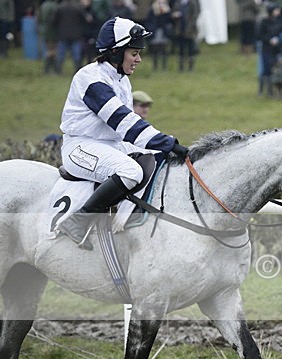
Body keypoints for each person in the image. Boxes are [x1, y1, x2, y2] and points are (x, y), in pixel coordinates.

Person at [56, 17, 189, 251]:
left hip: (110, 145)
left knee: (158, 157)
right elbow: (125, 123)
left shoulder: (122, 81)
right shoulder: (91, 79)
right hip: (79, 148)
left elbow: (127, 131)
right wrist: (168, 142)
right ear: (116, 52)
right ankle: (79, 219)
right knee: (131, 171)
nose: (139, 59)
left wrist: (163, 147)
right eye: (134, 53)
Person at [258, 3, 282, 98]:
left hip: (277, 49)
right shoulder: (264, 22)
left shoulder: (279, 21)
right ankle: (266, 90)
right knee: (266, 69)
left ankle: (278, 91)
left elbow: (281, 32)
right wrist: (269, 39)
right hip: (267, 48)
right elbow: (259, 35)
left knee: (278, 69)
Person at [53, 0, 89, 74]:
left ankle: (58, 70)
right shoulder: (78, 7)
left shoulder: (60, 7)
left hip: (63, 34)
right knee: (76, 54)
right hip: (76, 34)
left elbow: (54, 21)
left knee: (61, 54)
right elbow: (84, 19)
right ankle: (77, 70)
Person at [172, 0, 200, 72]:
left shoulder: (192, 3)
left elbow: (195, 15)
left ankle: (191, 67)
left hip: (190, 30)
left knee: (191, 50)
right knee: (181, 50)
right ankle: (181, 68)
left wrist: (190, 27)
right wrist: (175, 15)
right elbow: (173, 13)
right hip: (180, 30)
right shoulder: (177, 3)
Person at [146, 0, 172, 70]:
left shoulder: (167, 10)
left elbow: (169, 20)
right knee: (155, 49)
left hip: (164, 32)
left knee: (164, 49)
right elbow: (149, 21)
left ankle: (164, 66)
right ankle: (155, 66)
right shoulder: (152, 9)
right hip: (156, 31)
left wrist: (165, 13)